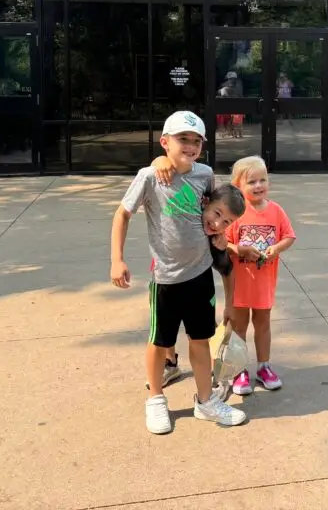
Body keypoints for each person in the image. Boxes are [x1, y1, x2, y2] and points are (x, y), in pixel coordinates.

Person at [110, 110, 248, 434]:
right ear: (164, 141)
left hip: (200, 276)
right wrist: (117, 259)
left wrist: (220, 235)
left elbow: (214, 211)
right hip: (167, 280)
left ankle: (206, 401)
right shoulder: (149, 176)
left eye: (195, 141)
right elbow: (122, 214)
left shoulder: (205, 174)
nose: (189, 145)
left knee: (201, 340)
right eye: (182, 139)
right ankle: (156, 399)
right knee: (159, 343)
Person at [145, 183, 245, 392]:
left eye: (226, 222)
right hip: (166, 281)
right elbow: (168, 180)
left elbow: (227, 269)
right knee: (164, 336)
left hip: (197, 287)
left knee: (198, 337)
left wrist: (230, 305)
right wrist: (159, 163)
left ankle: (207, 384)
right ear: (206, 203)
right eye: (217, 214)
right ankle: (169, 365)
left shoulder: (214, 240)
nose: (217, 223)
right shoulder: (183, 215)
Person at [226, 155, 296, 395]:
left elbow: (289, 236)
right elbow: (221, 242)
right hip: (238, 283)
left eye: (262, 180)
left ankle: (264, 366)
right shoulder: (234, 212)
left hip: (264, 283)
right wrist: (240, 249)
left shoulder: (276, 210)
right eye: (251, 182)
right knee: (239, 327)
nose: (258, 186)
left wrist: (276, 248)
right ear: (238, 185)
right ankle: (239, 370)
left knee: (263, 324)